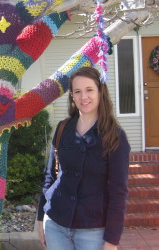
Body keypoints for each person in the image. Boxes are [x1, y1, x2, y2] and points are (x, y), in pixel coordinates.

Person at [37, 67, 130, 250]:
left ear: (100, 92)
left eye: (89, 90)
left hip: (93, 231)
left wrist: (112, 240)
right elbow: (50, 176)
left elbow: (118, 192)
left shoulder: (115, 137)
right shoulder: (63, 129)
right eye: (77, 91)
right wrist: (41, 216)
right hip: (56, 224)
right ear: (72, 95)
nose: (83, 97)